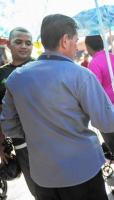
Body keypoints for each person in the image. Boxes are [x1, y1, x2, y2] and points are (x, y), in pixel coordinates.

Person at [0, 14, 114, 200]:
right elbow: (108, 122)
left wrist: (37, 132)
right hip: (82, 171)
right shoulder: (81, 75)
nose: (77, 47)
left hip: (43, 175)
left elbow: (10, 126)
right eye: (76, 41)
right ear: (65, 40)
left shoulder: (15, 78)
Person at [84, 35, 114, 195]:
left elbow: (94, 91)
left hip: (108, 111)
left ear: (88, 47)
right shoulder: (112, 57)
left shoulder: (94, 62)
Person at [0, 27, 37, 198]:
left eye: (28, 43)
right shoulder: (1, 74)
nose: (24, 46)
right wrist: (2, 146)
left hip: (51, 138)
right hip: (21, 144)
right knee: (38, 189)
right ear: (8, 44)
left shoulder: (41, 66)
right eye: (18, 42)